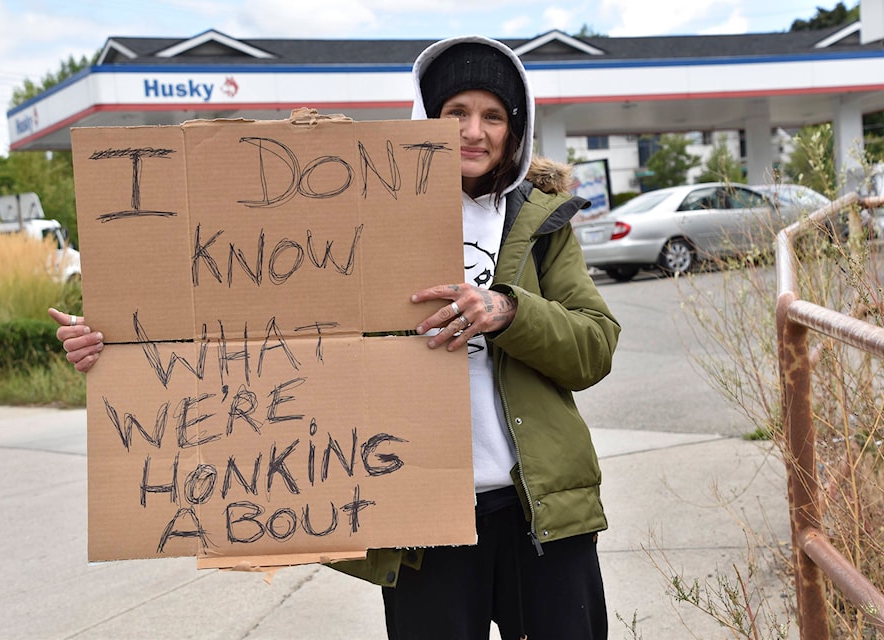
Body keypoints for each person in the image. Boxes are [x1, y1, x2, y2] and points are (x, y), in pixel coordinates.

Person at [51, 34, 620, 640]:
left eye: (493, 116)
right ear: (426, 121)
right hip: (422, 519)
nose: (473, 131)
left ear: (516, 128)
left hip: (541, 514)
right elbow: (234, 313)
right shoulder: (358, 215)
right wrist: (115, 350)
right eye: (455, 113)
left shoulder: (541, 223)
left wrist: (509, 311)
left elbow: (594, 347)